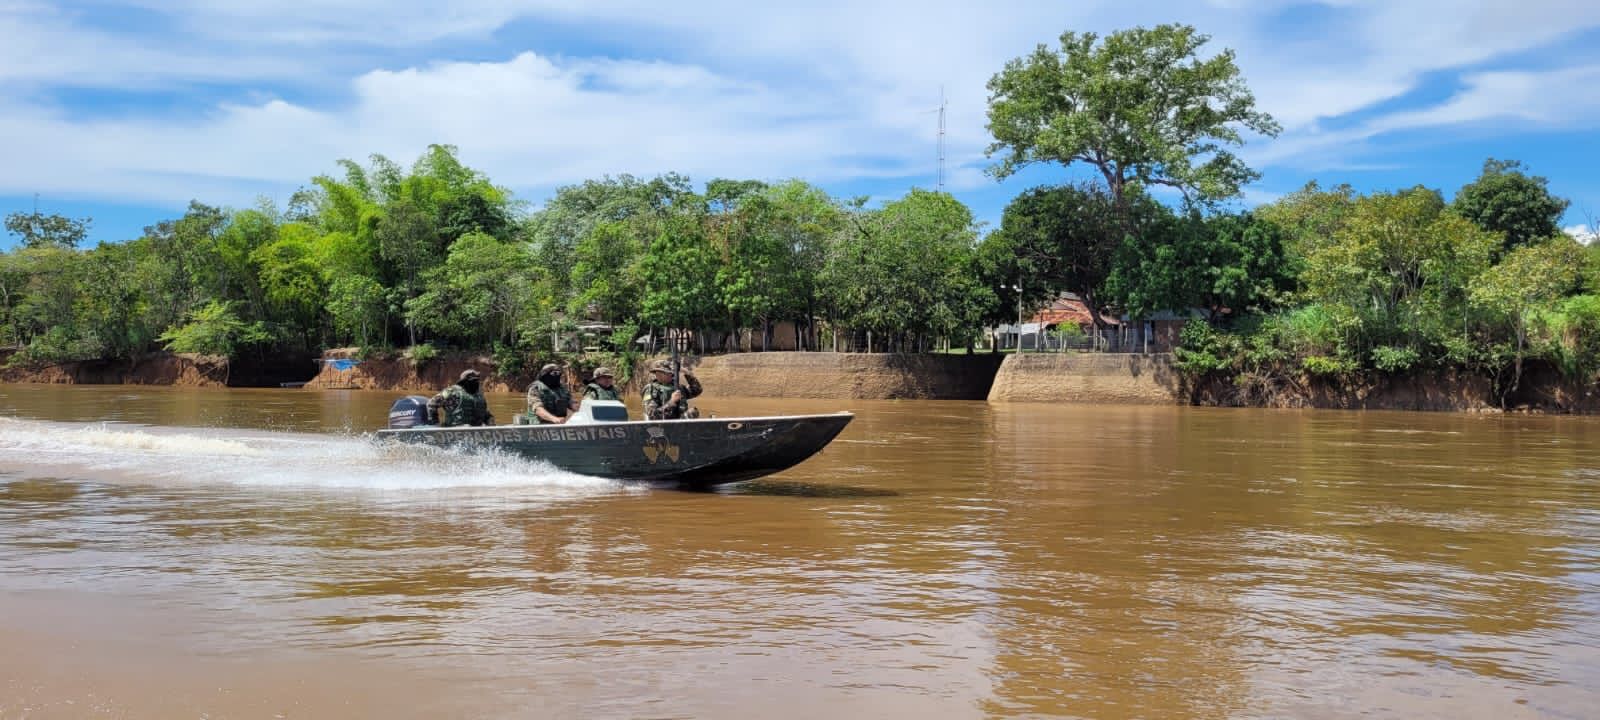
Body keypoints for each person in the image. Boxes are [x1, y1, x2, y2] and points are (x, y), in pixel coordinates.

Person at [428, 368, 494, 427]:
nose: (476, 383)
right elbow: (431, 404)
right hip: (453, 432)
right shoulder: (452, 392)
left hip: (476, 433)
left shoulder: (479, 396)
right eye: (472, 381)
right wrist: (435, 425)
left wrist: (491, 423)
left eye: (477, 381)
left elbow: (485, 414)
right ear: (463, 382)